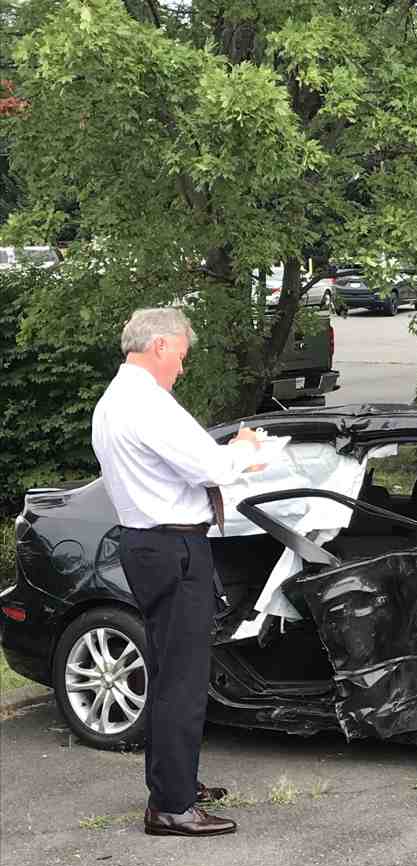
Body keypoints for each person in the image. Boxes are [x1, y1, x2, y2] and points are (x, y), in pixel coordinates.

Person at [92, 307, 266, 838]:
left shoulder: (117, 400)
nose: (183, 369)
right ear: (161, 346)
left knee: (172, 672)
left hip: (151, 544)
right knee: (182, 680)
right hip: (172, 548)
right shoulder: (147, 405)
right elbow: (210, 467)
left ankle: (176, 785)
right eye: (183, 357)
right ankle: (171, 805)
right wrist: (244, 450)